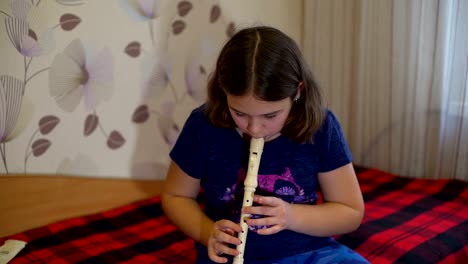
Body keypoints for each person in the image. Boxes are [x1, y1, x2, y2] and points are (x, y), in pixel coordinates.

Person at [161, 26, 368, 264]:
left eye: (270, 116)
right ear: (223, 90)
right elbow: (175, 196)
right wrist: (208, 233)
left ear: (297, 92)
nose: (254, 128)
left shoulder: (321, 127)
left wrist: (291, 216)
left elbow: (350, 212)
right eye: (239, 113)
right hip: (229, 257)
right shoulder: (203, 125)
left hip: (308, 253)